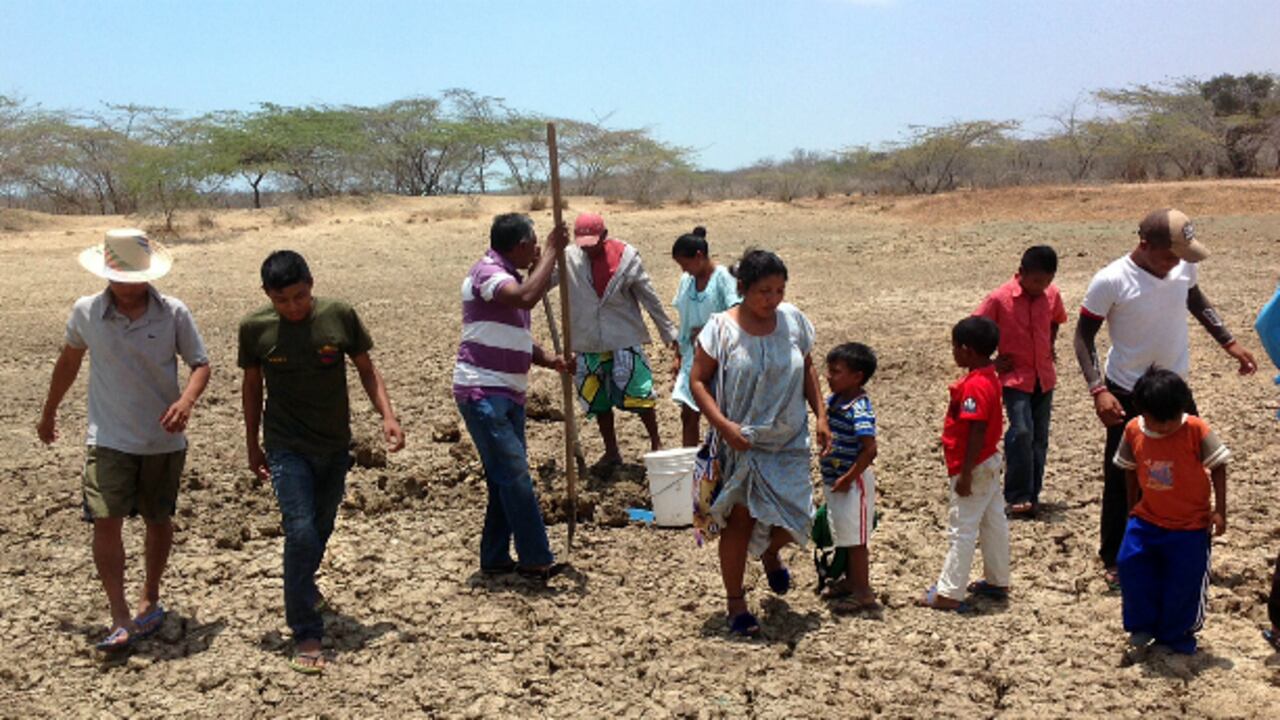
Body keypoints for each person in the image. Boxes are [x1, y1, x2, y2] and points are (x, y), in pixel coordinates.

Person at [37, 228, 211, 651]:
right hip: (108, 437)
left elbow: (200, 364)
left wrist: (186, 402)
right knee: (105, 518)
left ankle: (149, 596)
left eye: (135, 277)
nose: (128, 286)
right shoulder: (86, 313)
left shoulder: (173, 313)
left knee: (158, 518)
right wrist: (49, 411)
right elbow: (69, 362)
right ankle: (118, 614)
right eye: (120, 276)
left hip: (162, 440)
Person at [239, 250, 405, 675]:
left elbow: (367, 369)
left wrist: (387, 416)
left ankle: (304, 584)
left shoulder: (339, 316)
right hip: (285, 445)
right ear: (267, 296)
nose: (293, 307)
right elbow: (252, 387)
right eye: (282, 300)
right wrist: (252, 443)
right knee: (299, 530)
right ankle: (306, 629)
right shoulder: (255, 329)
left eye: (299, 296)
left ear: (311, 284)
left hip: (333, 445)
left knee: (322, 526)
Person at [1075, 208, 1256, 589]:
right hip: (1127, 389)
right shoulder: (1110, 280)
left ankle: (1179, 541)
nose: (1176, 264)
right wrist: (1099, 390)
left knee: (1188, 463)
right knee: (1124, 473)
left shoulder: (1183, 266)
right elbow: (1083, 338)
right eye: (1170, 255)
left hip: (1175, 387)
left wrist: (1230, 342)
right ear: (1144, 245)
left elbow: (1195, 299)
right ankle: (1117, 554)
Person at [689, 249, 830, 636]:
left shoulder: (794, 320)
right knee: (740, 521)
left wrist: (821, 414)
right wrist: (723, 425)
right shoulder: (720, 329)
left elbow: (808, 365)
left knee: (799, 513)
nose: (773, 299)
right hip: (742, 442)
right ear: (742, 288)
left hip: (788, 441)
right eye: (764, 291)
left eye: (779, 290)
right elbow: (697, 381)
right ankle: (736, 602)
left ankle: (769, 551)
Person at [453, 213, 570, 580]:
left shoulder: (509, 278)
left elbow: (517, 334)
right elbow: (526, 298)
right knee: (516, 475)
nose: (536, 249)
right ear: (520, 245)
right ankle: (535, 557)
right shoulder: (486, 273)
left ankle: (494, 555)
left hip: (508, 392)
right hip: (483, 390)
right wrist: (551, 251)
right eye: (533, 244)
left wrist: (550, 360)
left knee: (503, 476)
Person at [1113, 369, 1229, 655]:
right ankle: (1142, 625)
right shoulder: (1132, 431)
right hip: (1147, 519)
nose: (1166, 427)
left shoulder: (1195, 429)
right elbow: (1129, 470)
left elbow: (1219, 466)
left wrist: (1220, 510)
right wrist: (1131, 509)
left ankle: (1176, 635)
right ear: (1143, 413)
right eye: (1159, 421)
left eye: (1172, 419)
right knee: (1130, 564)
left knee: (1184, 581)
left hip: (1190, 526)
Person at [561, 212, 678, 466]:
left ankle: (656, 443)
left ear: (603, 235)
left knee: (640, 394)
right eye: (584, 246)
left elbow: (649, 296)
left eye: (593, 245)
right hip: (587, 340)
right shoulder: (568, 257)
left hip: (623, 337)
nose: (588, 251)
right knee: (599, 399)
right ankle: (612, 451)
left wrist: (668, 332)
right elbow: (546, 280)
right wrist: (541, 261)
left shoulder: (626, 257)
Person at [920, 316, 1010, 612]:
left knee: (963, 526)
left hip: (973, 464)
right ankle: (997, 579)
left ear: (967, 350)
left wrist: (966, 473)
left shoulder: (974, 386)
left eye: (955, 348)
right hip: (989, 460)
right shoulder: (989, 376)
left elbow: (976, 428)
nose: (954, 353)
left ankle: (949, 592)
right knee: (993, 520)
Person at [974, 245, 1068, 518]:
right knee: (1021, 431)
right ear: (1022, 273)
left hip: (1044, 377)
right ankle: (1016, 494)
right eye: (1037, 281)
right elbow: (975, 329)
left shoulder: (1052, 294)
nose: (1042, 287)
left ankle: (1033, 495)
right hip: (1015, 378)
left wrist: (1049, 344)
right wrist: (990, 363)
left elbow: (1056, 319)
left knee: (1040, 438)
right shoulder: (999, 298)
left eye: (1048, 281)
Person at [818, 342, 880, 611]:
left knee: (856, 539)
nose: (829, 377)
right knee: (843, 532)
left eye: (836, 372)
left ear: (857, 376)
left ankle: (863, 591)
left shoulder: (859, 408)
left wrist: (850, 477)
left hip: (852, 484)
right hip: (836, 480)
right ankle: (852, 581)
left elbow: (870, 449)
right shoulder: (834, 402)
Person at [670, 226, 740, 447]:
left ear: (699, 257)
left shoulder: (722, 279)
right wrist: (678, 355)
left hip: (719, 357)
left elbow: (736, 312)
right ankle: (690, 465)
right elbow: (684, 321)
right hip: (692, 356)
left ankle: (718, 462)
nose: (684, 271)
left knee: (718, 413)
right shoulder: (687, 282)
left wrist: (709, 330)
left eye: (686, 264)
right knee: (688, 414)